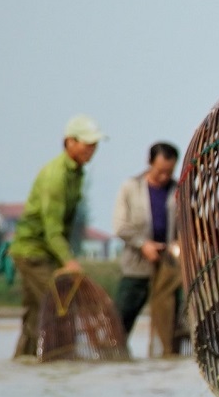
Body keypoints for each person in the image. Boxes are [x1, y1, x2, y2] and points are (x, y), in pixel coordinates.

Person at [10, 115, 106, 358]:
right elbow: (52, 230)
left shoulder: (77, 172)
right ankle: (56, 357)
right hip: (33, 252)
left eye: (95, 144)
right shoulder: (56, 176)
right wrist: (70, 262)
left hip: (47, 251)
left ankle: (26, 360)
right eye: (87, 143)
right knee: (55, 305)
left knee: (35, 313)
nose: (92, 149)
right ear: (70, 142)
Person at [112, 141, 185, 355]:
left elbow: (184, 223)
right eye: (160, 171)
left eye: (169, 172)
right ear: (150, 163)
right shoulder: (131, 187)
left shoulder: (176, 190)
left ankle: (168, 353)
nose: (164, 176)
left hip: (167, 262)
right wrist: (143, 244)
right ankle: (115, 354)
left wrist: (177, 242)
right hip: (137, 261)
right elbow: (120, 225)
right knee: (123, 315)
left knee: (168, 314)